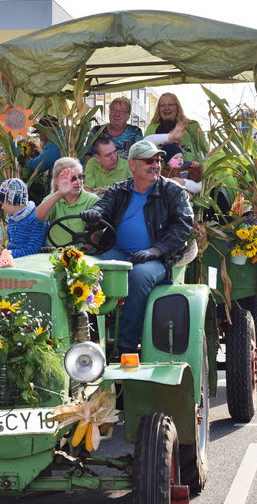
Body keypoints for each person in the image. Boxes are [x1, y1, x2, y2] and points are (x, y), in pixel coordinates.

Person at [80, 140, 193, 354]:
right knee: (83, 269)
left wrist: (155, 250)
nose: (156, 165)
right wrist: (94, 217)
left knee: (138, 275)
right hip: (117, 252)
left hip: (157, 258)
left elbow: (183, 226)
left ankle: (127, 346)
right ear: (132, 164)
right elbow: (102, 208)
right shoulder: (119, 189)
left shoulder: (173, 191)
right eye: (149, 161)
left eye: (158, 160)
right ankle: (88, 339)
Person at [36, 157, 100, 247]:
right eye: (73, 178)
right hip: (55, 254)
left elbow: (94, 235)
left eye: (81, 177)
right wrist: (59, 193)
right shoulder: (53, 199)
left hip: (84, 256)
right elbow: (40, 216)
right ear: (57, 181)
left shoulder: (92, 200)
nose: (78, 182)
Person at [144, 92, 208, 163]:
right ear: (158, 108)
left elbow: (206, 151)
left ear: (177, 107)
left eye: (170, 104)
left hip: (189, 170)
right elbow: (144, 149)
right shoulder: (152, 127)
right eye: (162, 105)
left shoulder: (192, 126)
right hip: (160, 170)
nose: (166, 108)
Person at [0, 178, 47, 258]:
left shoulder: (36, 218)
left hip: (28, 263)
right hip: (12, 259)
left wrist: (8, 256)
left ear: (12, 201)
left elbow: (34, 250)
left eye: (3, 203)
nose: (2, 207)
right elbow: (10, 244)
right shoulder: (11, 218)